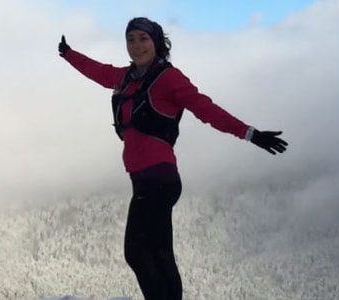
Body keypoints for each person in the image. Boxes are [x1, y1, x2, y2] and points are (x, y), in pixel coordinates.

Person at [57, 17, 288, 300]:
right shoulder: (127, 78)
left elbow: (207, 109)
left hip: (158, 179)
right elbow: (99, 72)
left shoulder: (169, 78)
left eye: (143, 38)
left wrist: (250, 133)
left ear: (156, 43)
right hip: (145, 181)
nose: (136, 45)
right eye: (131, 39)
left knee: (137, 252)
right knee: (158, 252)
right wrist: (69, 54)